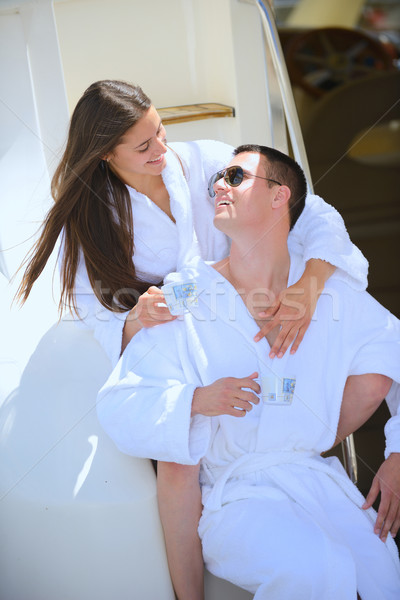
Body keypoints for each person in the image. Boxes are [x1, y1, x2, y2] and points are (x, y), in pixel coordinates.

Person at [97, 145, 400, 600]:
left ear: (280, 196)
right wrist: (196, 401)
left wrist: (397, 454)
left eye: (236, 176)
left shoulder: (329, 296)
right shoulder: (184, 298)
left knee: (379, 573)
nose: (220, 184)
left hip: (316, 486)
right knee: (312, 570)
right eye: (218, 176)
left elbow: (389, 352)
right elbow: (120, 402)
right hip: (235, 501)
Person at [16, 79, 369, 369]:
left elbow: (314, 214)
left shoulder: (210, 162)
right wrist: (137, 317)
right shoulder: (90, 218)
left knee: (353, 330)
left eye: (160, 130)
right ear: (106, 154)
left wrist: (309, 285)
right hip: (182, 354)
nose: (161, 148)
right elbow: (89, 313)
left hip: (261, 319)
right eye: (144, 147)